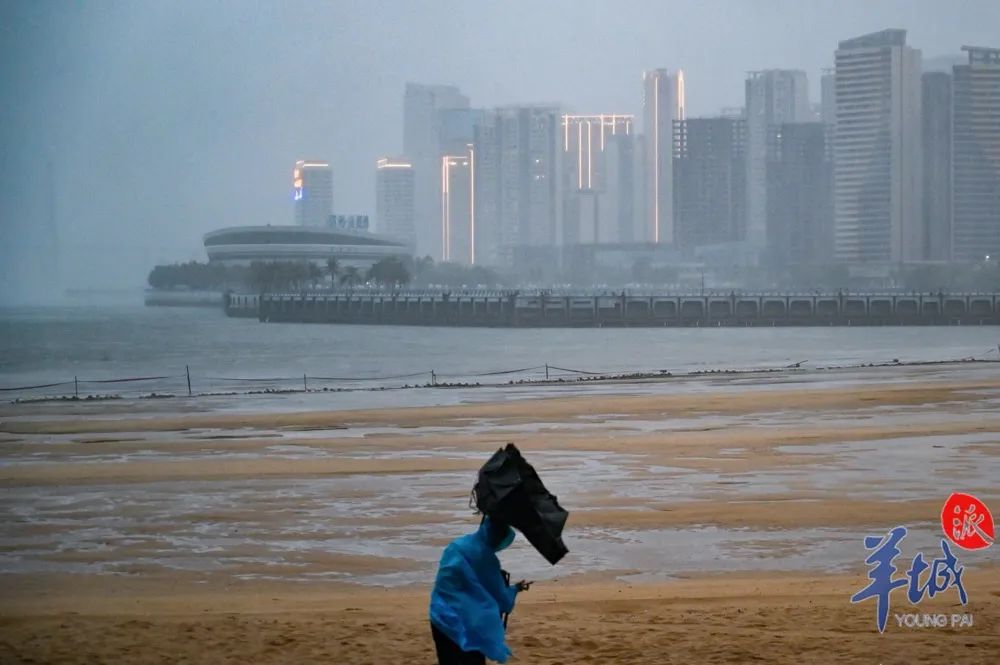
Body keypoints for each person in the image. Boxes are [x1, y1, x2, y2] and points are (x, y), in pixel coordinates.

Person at [429, 517, 531, 664]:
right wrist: (515, 589)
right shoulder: (486, 559)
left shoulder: (457, 545)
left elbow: (452, 580)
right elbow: (503, 600)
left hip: (439, 615)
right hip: (467, 624)